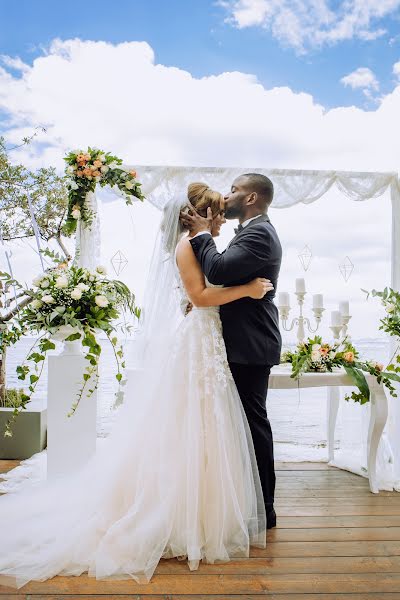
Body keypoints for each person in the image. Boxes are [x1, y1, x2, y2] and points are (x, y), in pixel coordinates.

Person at [0, 182, 273, 590]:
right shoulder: (188, 245)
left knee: (209, 427)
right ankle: (177, 512)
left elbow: (199, 292)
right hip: (200, 343)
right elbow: (200, 297)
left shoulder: (196, 245)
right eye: (214, 213)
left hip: (209, 342)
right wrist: (249, 290)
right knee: (195, 423)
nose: (218, 220)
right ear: (195, 216)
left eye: (219, 213)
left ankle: (207, 507)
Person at [180, 173, 282, 529]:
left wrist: (203, 234)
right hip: (234, 341)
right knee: (233, 424)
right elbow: (214, 280)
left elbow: (220, 269)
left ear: (251, 198)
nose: (228, 195)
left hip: (250, 343)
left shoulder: (259, 233)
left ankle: (263, 509)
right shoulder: (251, 231)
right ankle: (242, 499)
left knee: (253, 425)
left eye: (235, 190)